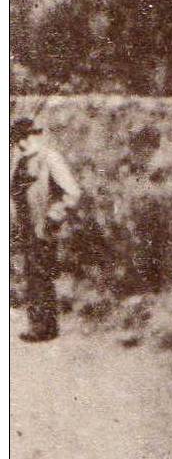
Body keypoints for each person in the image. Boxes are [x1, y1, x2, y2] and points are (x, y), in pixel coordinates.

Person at [10, 115, 81, 342]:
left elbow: (72, 192)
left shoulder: (49, 158)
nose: (21, 144)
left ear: (34, 135)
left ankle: (44, 327)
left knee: (42, 276)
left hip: (44, 228)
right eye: (18, 139)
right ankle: (40, 325)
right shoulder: (21, 161)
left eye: (24, 138)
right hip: (26, 228)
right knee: (33, 276)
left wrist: (54, 217)